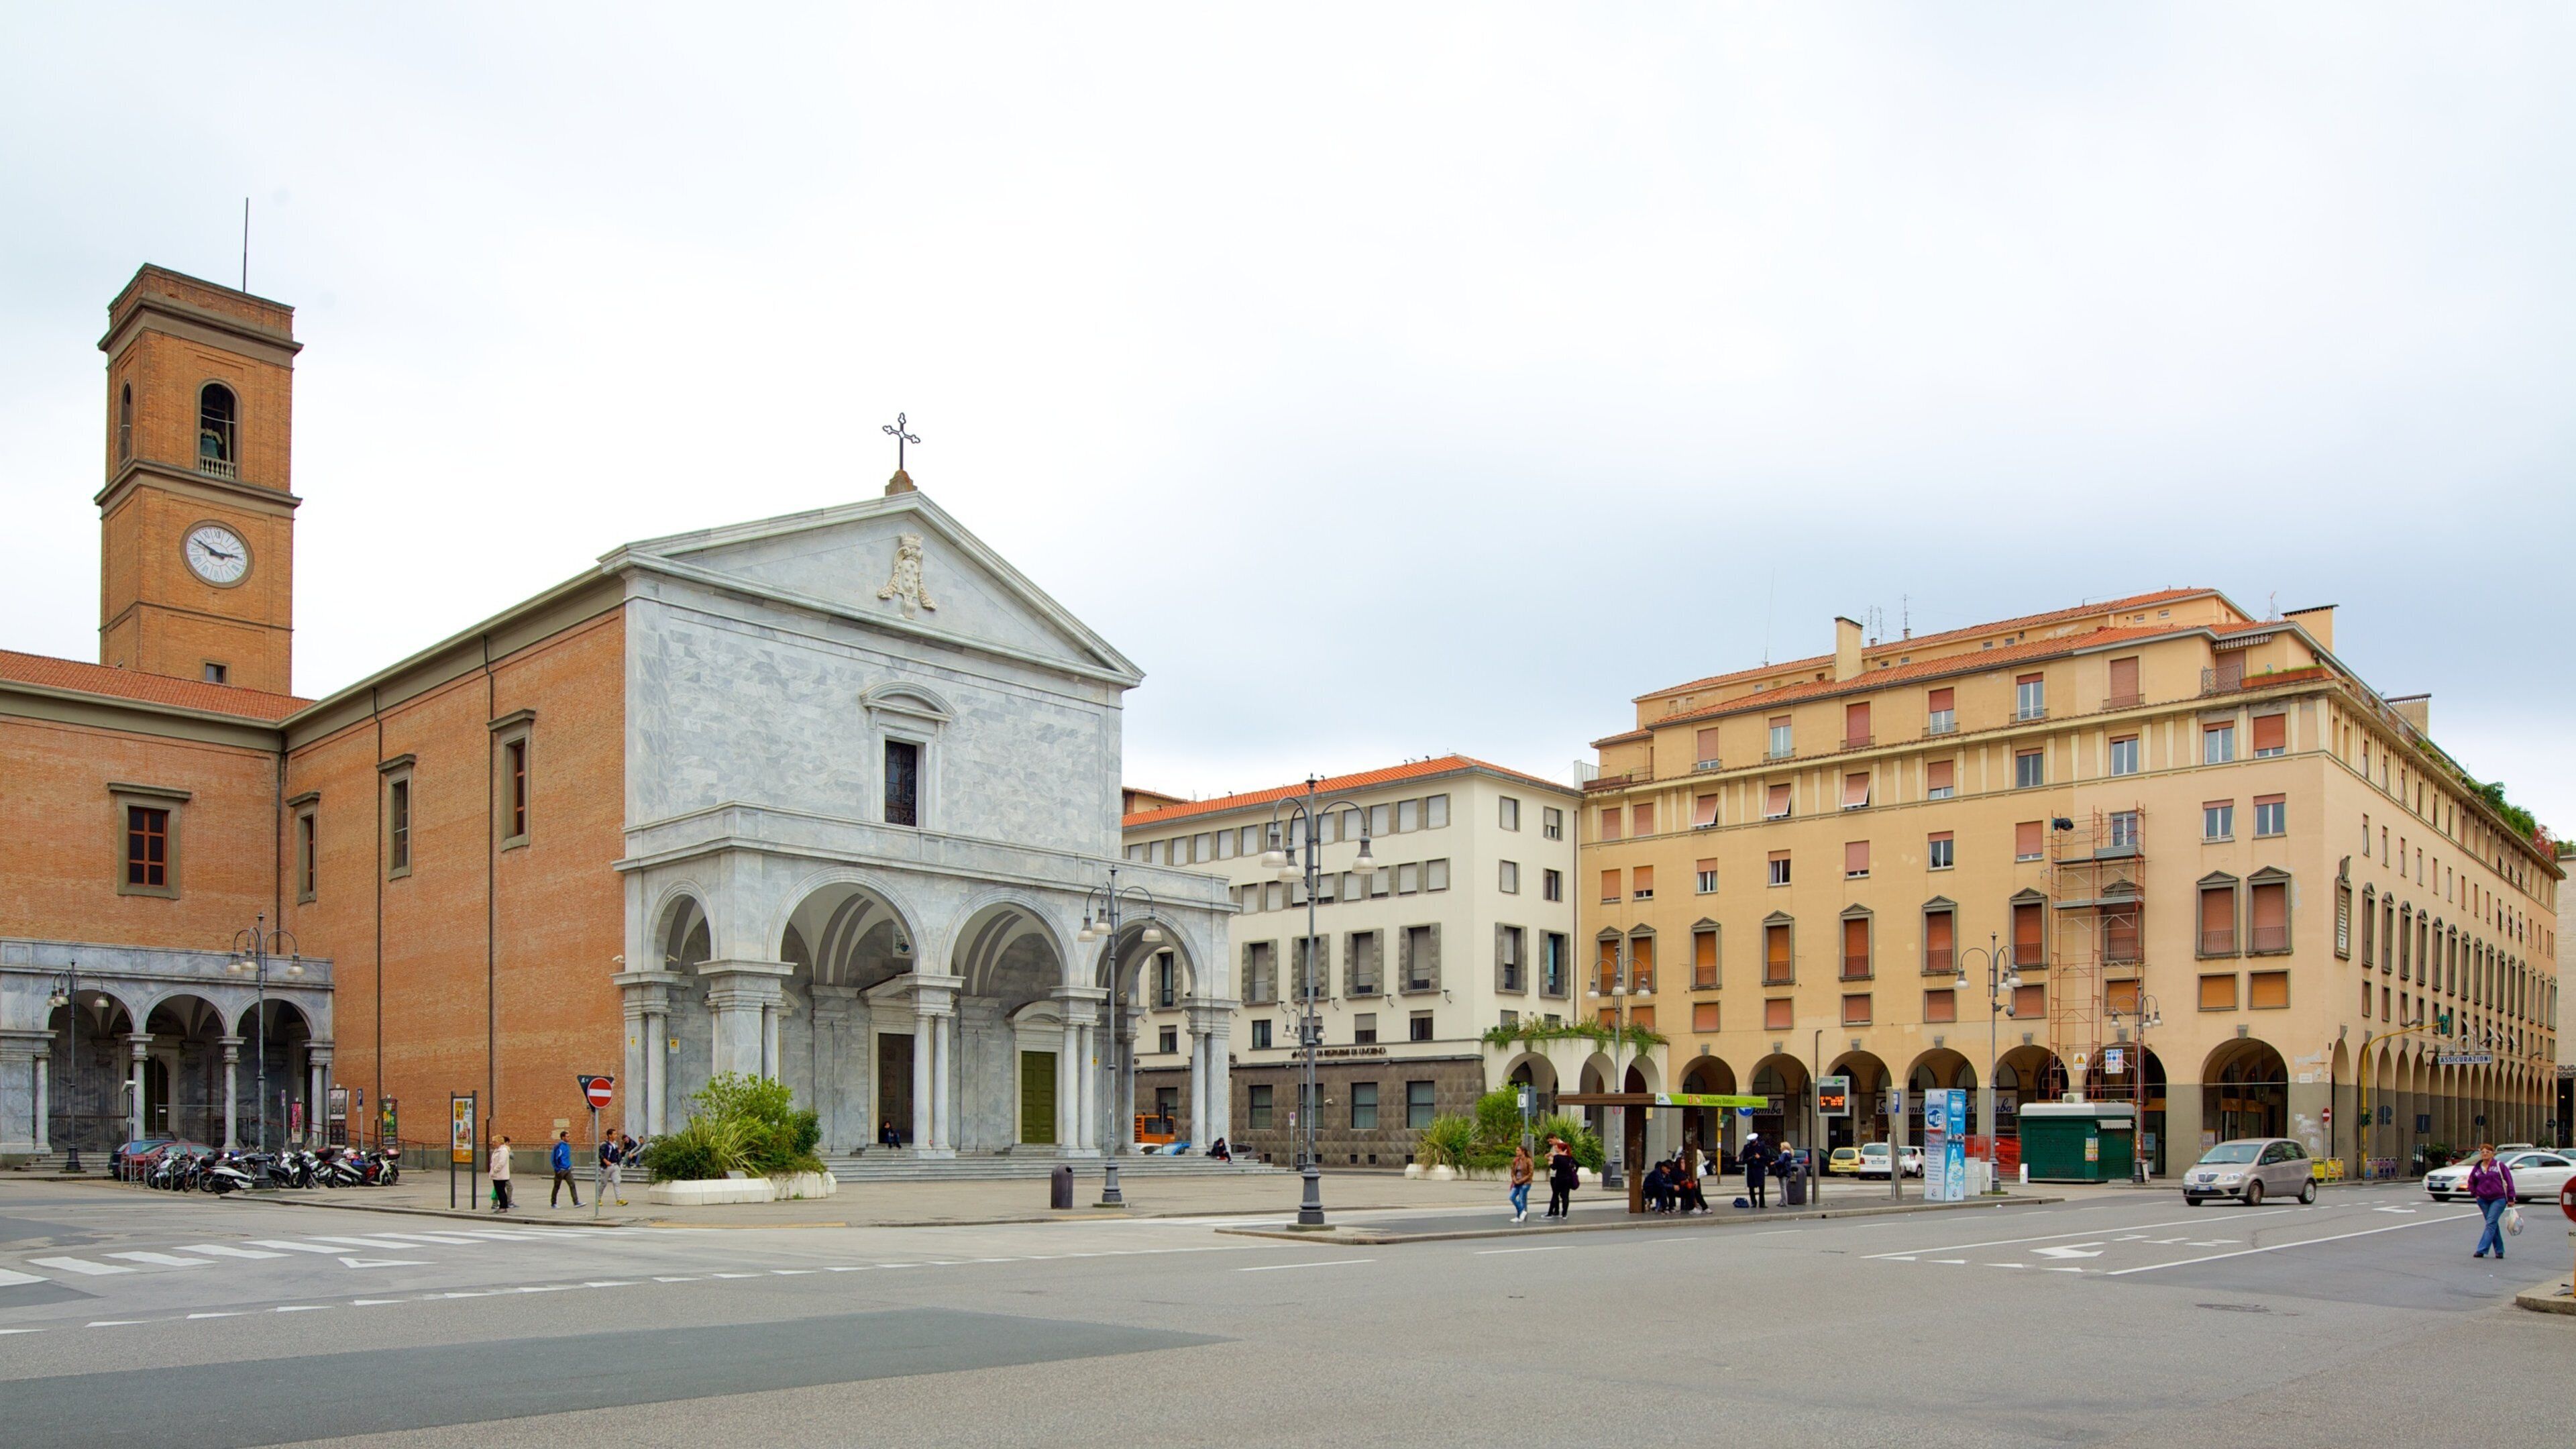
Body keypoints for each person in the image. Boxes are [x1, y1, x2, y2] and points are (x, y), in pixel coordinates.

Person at [2468, 1144, 2516, 1259]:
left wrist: (2511, 1198)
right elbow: (2471, 1181)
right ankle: (2499, 1251)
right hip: (2483, 1200)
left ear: (2492, 1153)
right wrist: (2476, 1194)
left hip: (2498, 1199)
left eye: (2487, 1152)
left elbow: (2509, 1181)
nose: (2485, 1154)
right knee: (2492, 1224)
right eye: (2482, 1152)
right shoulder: (2478, 1167)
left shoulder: (2499, 1166)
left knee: (2490, 1223)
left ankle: (2482, 1249)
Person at [1546, 1135, 1578, 1219]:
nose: (1556, 1149)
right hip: (1568, 1179)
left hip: (1559, 1179)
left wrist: (1550, 1163)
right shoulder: (1569, 1157)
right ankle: (1564, 1214)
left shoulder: (1557, 1157)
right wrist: (1574, 1172)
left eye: (1557, 1148)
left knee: (1555, 1195)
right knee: (1566, 1196)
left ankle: (1550, 1213)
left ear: (1560, 1149)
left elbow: (1554, 1167)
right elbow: (1577, 1164)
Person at [550, 1130, 582, 1208]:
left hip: (567, 1169)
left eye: (569, 1136)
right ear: (563, 1137)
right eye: (567, 1137)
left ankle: (576, 1202)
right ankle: (553, 1203)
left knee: (572, 1185)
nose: (569, 1138)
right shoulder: (558, 1146)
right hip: (561, 1170)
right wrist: (557, 1169)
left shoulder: (567, 1146)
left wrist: (569, 1165)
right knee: (557, 1186)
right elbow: (554, 1159)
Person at [597, 1130, 627, 1207]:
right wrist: (606, 1161)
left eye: (616, 1134)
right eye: (614, 1134)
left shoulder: (615, 1144)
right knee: (603, 1183)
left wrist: (619, 1162)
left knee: (617, 1183)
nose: (616, 1135)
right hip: (607, 1166)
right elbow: (600, 1154)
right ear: (610, 1135)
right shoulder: (604, 1144)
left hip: (615, 1165)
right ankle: (598, 1198)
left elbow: (617, 1154)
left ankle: (619, 1200)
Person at [1508, 1144, 1534, 1223]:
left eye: (1518, 1150)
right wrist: (1514, 1179)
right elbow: (1512, 1172)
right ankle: (1522, 1212)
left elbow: (1531, 1173)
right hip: (1517, 1182)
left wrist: (1521, 1180)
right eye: (1516, 1150)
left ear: (1523, 1152)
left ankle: (1519, 1216)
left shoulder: (1528, 1160)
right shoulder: (1516, 1160)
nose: (1516, 1152)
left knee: (1521, 1199)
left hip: (1526, 1183)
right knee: (1512, 1197)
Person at [1742, 1132, 1768, 1209]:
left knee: (1761, 1187)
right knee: (1751, 1187)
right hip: (1751, 1169)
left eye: (1754, 1142)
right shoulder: (1747, 1147)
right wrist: (1749, 1159)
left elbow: (1766, 1158)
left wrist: (1759, 1157)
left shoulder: (1762, 1146)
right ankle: (1753, 1202)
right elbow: (1744, 1160)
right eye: (1752, 1143)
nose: (1753, 1144)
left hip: (1759, 1169)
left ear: (1756, 1141)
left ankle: (1762, 1203)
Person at [488, 1135, 514, 1213]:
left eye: (494, 1142)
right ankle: (501, 1206)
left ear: (499, 1142)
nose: (493, 1143)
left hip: (500, 1175)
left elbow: (501, 1163)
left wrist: (495, 1170)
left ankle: (503, 1206)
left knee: (501, 1191)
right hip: (496, 1175)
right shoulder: (497, 1150)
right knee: (498, 1191)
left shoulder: (503, 1150)